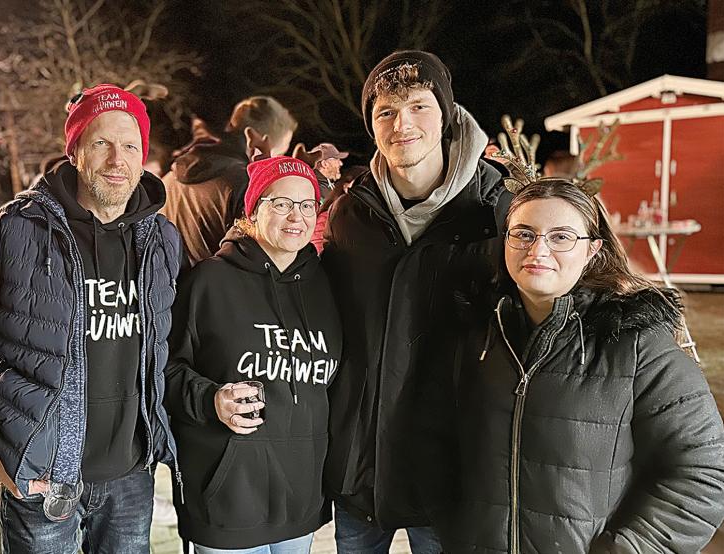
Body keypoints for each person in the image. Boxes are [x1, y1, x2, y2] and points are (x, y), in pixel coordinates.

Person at [0, 84, 183, 553]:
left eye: (130, 145)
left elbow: (168, 350)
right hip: (40, 481)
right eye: (101, 143)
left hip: (132, 479)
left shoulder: (161, 239)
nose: (118, 159)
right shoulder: (14, 231)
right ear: (75, 150)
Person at [437, 177, 724, 552]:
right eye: (524, 233)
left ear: (592, 251)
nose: (537, 249)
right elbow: (438, 446)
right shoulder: (478, 334)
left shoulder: (635, 343)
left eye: (561, 237)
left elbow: (703, 470)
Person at [320, 49, 510, 553]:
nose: (402, 124)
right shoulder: (349, 215)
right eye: (385, 112)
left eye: (419, 107)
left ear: (445, 114)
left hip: (450, 472)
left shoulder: (497, 211)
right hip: (361, 468)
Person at [164, 156, 342, 553]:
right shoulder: (209, 281)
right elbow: (165, 371)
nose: (295, 216)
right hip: (227, 501)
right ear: (253, 209)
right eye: (280, 203)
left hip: (299, 503)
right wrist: (211, 400)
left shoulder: (325, 287)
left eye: (306, 205)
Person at [161, 96, 298, 265]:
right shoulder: (245, 187)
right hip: (217, 290)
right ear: (259, 142)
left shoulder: (169, 178)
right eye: (279, 153)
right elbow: (260, 262)